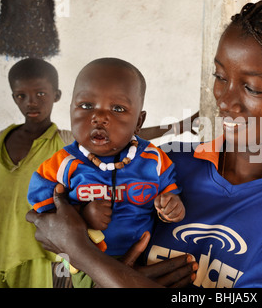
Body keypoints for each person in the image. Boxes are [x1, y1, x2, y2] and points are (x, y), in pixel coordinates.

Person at [26, 0, 262, 288]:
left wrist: (85, 256)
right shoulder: (171, 164)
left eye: (252, 87)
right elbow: (68, 241)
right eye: (220, 77)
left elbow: (90, 260)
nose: (226, 100)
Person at [27, 57, 185, 287]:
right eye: (86, 106)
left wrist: (172, 207)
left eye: (118, 109)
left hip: (144, 262)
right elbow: (44, 213)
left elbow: (169, 191)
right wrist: (81, 215)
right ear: (71, 109)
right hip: (81, 266)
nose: (99, 117)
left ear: (138, 121)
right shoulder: (64, 162)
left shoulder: (154, 159)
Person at [0, 58, 73, 288]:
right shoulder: (0, 139)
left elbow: (113, 137)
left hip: (38, 254)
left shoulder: (65, 142)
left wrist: (173, 128)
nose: (31, 102)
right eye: (21, 96)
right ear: (13, 97)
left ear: (56, 95)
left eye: (40, 94)